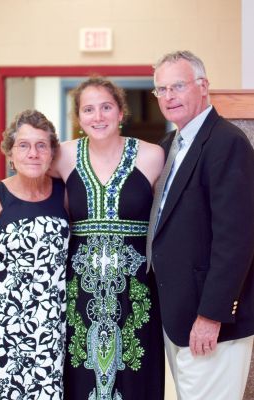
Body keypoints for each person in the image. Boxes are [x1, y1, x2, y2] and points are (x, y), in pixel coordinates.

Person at [146, 50, 254, 400]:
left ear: (203, 86)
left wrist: (211, 314)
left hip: (209, 320)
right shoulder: (170, 145)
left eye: (177, 86)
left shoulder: (227, 143)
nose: (168, 97)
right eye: (160, 90)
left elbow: (236, 239)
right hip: (177, 315)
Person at [51, 77, 165, 399]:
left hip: (136, 295)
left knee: (136, 379)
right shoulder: (62, 155)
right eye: (88, 109)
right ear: (78, 116)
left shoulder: (152, 155)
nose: (97, 116)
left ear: (120, 112)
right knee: (80, 377)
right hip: (80, 295)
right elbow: (30, 189)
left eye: (105, 107)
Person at [0, 110, 70, 399]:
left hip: (52, 333)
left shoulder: (64, 195)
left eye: (41, 145)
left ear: (51, 154)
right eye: (23, 145)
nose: (33, 153)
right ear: (10, 153)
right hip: (2, 334)